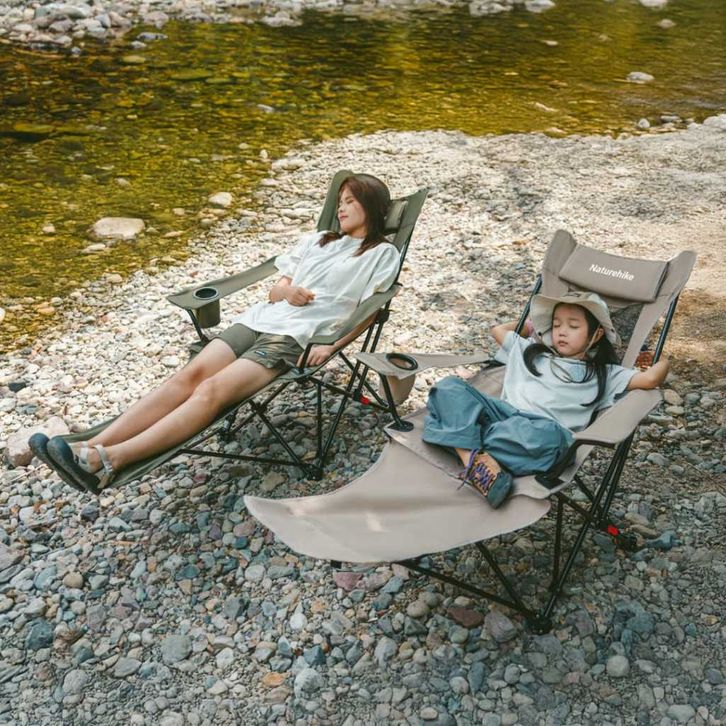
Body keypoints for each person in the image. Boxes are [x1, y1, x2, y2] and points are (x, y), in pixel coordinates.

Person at [31, 174, 401, 492]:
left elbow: (370, 310)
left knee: (210, 391)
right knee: (188, 376)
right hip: (260, 320)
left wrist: (331, 346)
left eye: (349, 201)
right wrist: (287, 292)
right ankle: (88, 446)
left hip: (295, 338)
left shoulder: (380, 254)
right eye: (339, 202)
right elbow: (275, 290)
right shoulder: (318, 239)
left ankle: (109, 459)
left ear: (370, 205)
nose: (340, 208)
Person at [422, 291, 669, 509]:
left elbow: (650, 379)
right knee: (448, 387)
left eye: (573, 326)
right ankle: (474, 461)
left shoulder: (605, 374)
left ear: (597, 334)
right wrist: (531, 327)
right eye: (556, 324)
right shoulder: (532, 353)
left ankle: (458, 437)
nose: (562, 331)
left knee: (549, 440)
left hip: (542, 432)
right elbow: (499, 331)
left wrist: (665, 359)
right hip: (503, 416)